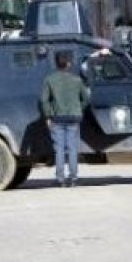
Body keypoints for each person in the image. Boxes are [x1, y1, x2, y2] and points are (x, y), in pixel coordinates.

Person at [40, 52, 90, 187]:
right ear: (69, 63)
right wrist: (79, 108)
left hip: (57, 117)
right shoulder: (77, 80)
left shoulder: (49, 79)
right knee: (73, 148)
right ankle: (73, 178)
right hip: (74, 117)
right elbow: (86, 98)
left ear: (56, 63)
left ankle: (60, 179)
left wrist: (48, 116)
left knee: (59, 149)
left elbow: (44, 100)